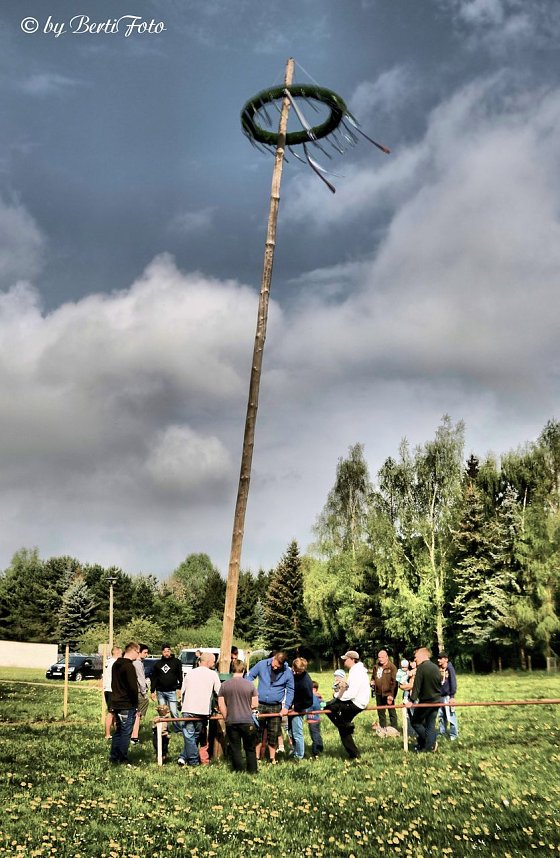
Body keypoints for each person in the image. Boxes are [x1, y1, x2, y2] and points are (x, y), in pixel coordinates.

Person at [247, 651, 294, 764]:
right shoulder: (261, 664)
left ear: (283, 665)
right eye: (274, 664)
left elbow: (291, 690)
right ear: (273, 658)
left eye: (278, 666)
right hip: (260, 704)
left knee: (273, 733)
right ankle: (257, 758)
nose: (275, 667)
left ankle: (273, 759)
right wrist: (251, 693)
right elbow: (249, 677)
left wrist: (286, 707)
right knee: (257, 731)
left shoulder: (287, 672)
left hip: (275, 706)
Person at [178, 651, 221, 767]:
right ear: (207, 662)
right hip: (202, 710)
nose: (214, 663)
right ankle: (192, 761)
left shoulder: (190, 673)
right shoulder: (213, 674)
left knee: (190, 737)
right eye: (213, 661)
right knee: (194, 736)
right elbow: (219, 692)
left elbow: (182, 691)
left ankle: (186, 758)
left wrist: (181, 704)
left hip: (188, 708)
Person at [325, 650, 370, 760]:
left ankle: (346, 726)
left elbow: (351, 693)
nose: (344, 661)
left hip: (356, 702)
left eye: (346, 659)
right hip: (358, 701)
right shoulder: (356, 670)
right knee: (342, 726)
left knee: (329, 707)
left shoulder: (356, 672)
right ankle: (354, 754)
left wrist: (337, 696)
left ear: (352, 659)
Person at [218, 659, 259, 774]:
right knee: (250, 748)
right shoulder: (250, 685)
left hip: (232, 721)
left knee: (235, 748)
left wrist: (227, 717)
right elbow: (255, 704)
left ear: (232, 670)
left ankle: (239, 770)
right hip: (247, 720)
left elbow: (221, 704)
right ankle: (252, 771)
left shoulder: (224, 685)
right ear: (244, 670)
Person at [406, 647, 442, 753]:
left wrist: (411, 701)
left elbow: (416, 687)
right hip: (437, 701)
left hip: (426, 702)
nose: (415, 660)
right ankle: (428, 747)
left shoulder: (421, 668)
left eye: (416, 657)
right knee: (430, 724)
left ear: (422, 655)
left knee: (415, 722)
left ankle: (430, 743)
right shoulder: (435, 667)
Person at [109, 642, 140, 765]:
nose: (138, 656)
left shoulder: (116, 664)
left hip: (116, 702)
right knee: (126, 733)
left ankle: (114, 756)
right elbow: (133, 687)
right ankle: (122, 758)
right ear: (133, 651)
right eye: (138, 653)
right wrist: (136, 704)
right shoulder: (129, 666)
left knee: (118, 731)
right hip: (127, 704)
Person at [150, 643, 183, 733]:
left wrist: (180, 688)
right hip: (160, 691)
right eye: (164, 651)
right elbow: (154, 678)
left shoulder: (176, 662)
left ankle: (178, 729)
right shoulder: (158, 663)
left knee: (173, 711)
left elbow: (180, 675)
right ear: (162, 652)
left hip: (172, 691)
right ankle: (164, 729)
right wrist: (152, 691)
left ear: (170, 651)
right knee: (162, 711)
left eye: (168, 651)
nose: (166, 653)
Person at [289, 657, 314, 761]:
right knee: (290, 732)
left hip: (299, 709)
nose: (296, 673)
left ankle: (299, 755)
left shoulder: (305, 681)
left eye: (299, 671)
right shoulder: (294, 675)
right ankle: (295, 750)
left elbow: (309, 701)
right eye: (295, 670)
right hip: (291, 707)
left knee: (297, 733)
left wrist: (296, 707)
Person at [371, 650, 398, 731]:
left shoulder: (392, 667)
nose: (380, 659)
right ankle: (383, 729)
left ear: (387, 657)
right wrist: (372, 682)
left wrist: (392, 695)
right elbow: (373, 677)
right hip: (379, 693)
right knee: (381, 712)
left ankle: (394, 729)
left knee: (391, 712)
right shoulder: (376, 667)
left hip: (388, 693)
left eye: (382, 657)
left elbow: (395, 683)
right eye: (379, 657)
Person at [131, 644, 149, 744]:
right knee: (138, 714)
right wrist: (144, 692)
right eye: (145, 652)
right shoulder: (138, 663)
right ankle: (135, 736)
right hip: (138, 692)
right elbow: (141, 679)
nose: (146, 655)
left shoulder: (132, 662)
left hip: (132, 691)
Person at [437, 652, 458, 741]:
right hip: (440, 696)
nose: (438, 660)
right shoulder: (439, 669)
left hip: (448, 696)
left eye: (440, 658)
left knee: (450, 715)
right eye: (438, 658)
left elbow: (453, 682)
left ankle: (454, 734)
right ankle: (442, 732)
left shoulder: (450, 669)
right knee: (441, 715)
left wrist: (452, 696)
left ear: (446, 659)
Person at [103, 645, 122, 740]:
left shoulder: (108, 662)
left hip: (107, 689)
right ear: (117, 653)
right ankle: (107, 734)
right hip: (112, 690)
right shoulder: (115, 664)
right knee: (111, 712)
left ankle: (116, 732)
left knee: (115, 712)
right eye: (121, 653)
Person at [306, 681, 324, 758]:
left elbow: (308, 707)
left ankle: (315, 751)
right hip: (316, 719)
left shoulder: (312, 697)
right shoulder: (318, 696)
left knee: (315, 735)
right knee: (317, 734)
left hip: (312, 720)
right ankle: (320, 748)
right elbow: (323, 704)